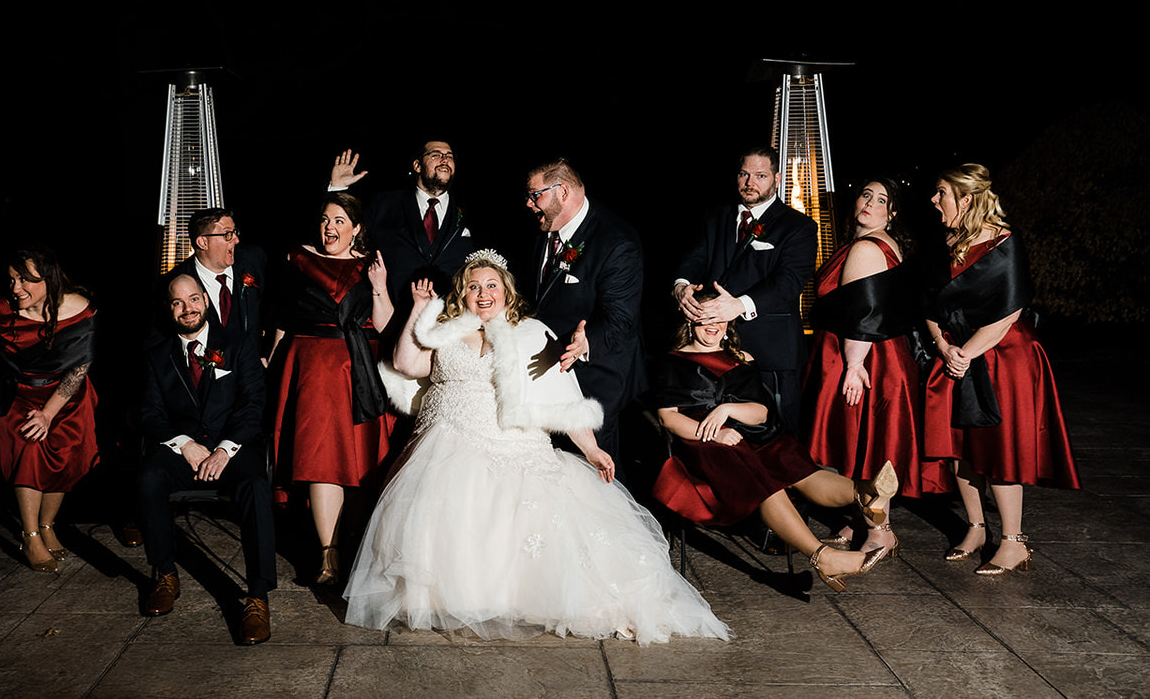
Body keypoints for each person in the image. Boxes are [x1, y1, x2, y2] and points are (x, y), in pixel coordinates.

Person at [344, 251, 728, 644]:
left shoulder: (530, 332)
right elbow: (407, 365)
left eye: (491, 285)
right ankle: (454, 596)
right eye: (474, 286)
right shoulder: (446, 328)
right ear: (462, 292)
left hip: (514, 438)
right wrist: (420, 310)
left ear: (506, 291)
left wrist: (592, 449)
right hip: (447, 436)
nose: (483, 292)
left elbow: (561, 398)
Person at [653, 293, 898, 592]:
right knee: (763, 480)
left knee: (798, 468)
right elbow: (668, 418)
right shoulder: (675, 360)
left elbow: (760, 413)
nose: (713, 324)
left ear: (729, 319)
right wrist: (715, 433)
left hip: (753, 437)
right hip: (702, 446)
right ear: (692, 319)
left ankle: (866, 492)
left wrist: (727, 409)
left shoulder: (743, 360)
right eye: (705, 316)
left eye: (719, 316)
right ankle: (823, 556)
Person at [921, 164, 1079, 574]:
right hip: (955, 351)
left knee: (998, 445)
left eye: (941, 193)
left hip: (1002, 356)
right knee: (958, 445)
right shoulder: (945, 241)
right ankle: (976, 527)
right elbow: (930, 303)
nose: (934, 201)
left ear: (966, 199)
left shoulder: (1003, 242)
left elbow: (1009, 313)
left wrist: (966, 353)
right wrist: (942, 344)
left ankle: (1013, 541)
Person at [137, 275, 275, 644]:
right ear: (168, 308)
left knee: (255, 485)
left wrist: (223, 449)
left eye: (194, 299)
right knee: (149, 478)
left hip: (232, 449)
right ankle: (164, 573)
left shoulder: (238, 343)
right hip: (183, 450)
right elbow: (149, 414)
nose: (188, 308)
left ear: (206, 301)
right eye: (178, 302)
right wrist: (183, 444)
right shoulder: (156, 352)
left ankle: (258, 596)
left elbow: (253, 405)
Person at [269, 192, 398, 585]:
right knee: (322, 457)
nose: (331, 227)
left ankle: (355, 548)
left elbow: (387, 324)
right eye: (326, 219)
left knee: (358, 460)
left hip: (359, 369)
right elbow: (282, 315)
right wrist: (274, 360)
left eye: (340, 221)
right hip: (313, 368)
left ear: (356, 229)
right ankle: (329, 555)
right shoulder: (300, 260)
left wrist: (380, 286)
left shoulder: (369, 267)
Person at [801, 178, 924, 559]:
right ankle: (862, 519)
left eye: (882, 200)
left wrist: (854, 365)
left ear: (893, 212)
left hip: (867, 358)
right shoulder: (882, 244)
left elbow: (863, 315)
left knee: (869, 443)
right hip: (878, 355)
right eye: (866, 195)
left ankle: (880, 532)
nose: (870, 203)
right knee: (866, 442)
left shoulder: (868, 247)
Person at [0, 246, 99, 573]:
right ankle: (28, 535)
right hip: (15, 392)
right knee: (29, 447)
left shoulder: (81, 308)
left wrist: (49, 413)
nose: (16, 289)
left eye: (26, 280)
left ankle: (47, 525)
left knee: (65, 452)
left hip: (64, 393)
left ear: (50, 279)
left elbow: (80, 366)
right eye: (12, 279)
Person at [674, 145, 819, 434]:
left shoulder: (799, 226)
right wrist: (681, 287)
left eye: (760, 175)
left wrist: (739, 305)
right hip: (715, 347)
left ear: (777, 179)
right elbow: (696, 258)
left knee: (779, 440)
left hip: (772, 351)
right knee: (726, 436)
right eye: (744, 174)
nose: (750, 183)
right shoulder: (715, 216)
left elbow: (790, 281)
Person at [524, 158, 644, 462]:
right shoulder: (545, 228)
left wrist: (585, 343)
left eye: (535, 194)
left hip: (594, 379)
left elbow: (621, 320)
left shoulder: (616, 242)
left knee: (592, 474)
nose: (528, 203)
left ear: (562, 191)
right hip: (549, 371)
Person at [328, 142, 477, 309]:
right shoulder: (384, 204)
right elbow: (341, 232)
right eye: (436, 155)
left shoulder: (472, 213)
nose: (444, 160)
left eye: (449, 156)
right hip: (391, 318)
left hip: (451, 320)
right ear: (417, 165)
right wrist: (338, 188)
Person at [164, 207, 267, 353]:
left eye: (235, 232)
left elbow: (274, 306)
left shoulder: (253, 260)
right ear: (203, 243)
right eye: (227, 235)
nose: (236, 240)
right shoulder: (172, 283)